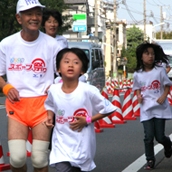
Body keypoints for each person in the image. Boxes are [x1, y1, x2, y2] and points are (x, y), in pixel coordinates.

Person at [0, 0, 63, 172]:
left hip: (43, 105)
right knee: (18, 157)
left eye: (38, 13)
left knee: (39, 158)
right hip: (17, 105)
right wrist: (6, 88)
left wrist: (55, 87)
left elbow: (62, 75)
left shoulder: (52, 45)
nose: (34, 18)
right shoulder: (7, 44)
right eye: (29, 14)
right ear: (19, 18)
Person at [44, 47, 117, 172]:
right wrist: (50, 116)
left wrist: (88, 120)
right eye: (66, 62)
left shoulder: (88, 90)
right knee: (62, 168)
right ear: (58, 69)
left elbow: (109, 108)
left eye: (76, 62)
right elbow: (50, 104)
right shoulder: (53, 90)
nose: (71, 65)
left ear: (82, 70)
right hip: (60, 145)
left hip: (82, 144)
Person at [132, 42, 172, 170]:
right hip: (146, 108)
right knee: (148, 136)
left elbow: (167, 85)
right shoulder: (137, 74)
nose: (150, 56)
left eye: (152, 54)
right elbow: (137, 88)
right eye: (147, 53)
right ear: (141, 57)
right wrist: (139, 96)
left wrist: (164, 96)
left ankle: (168, 145)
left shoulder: (159, 70)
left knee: (160, 136)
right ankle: (150, 159)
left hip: (160, 108)